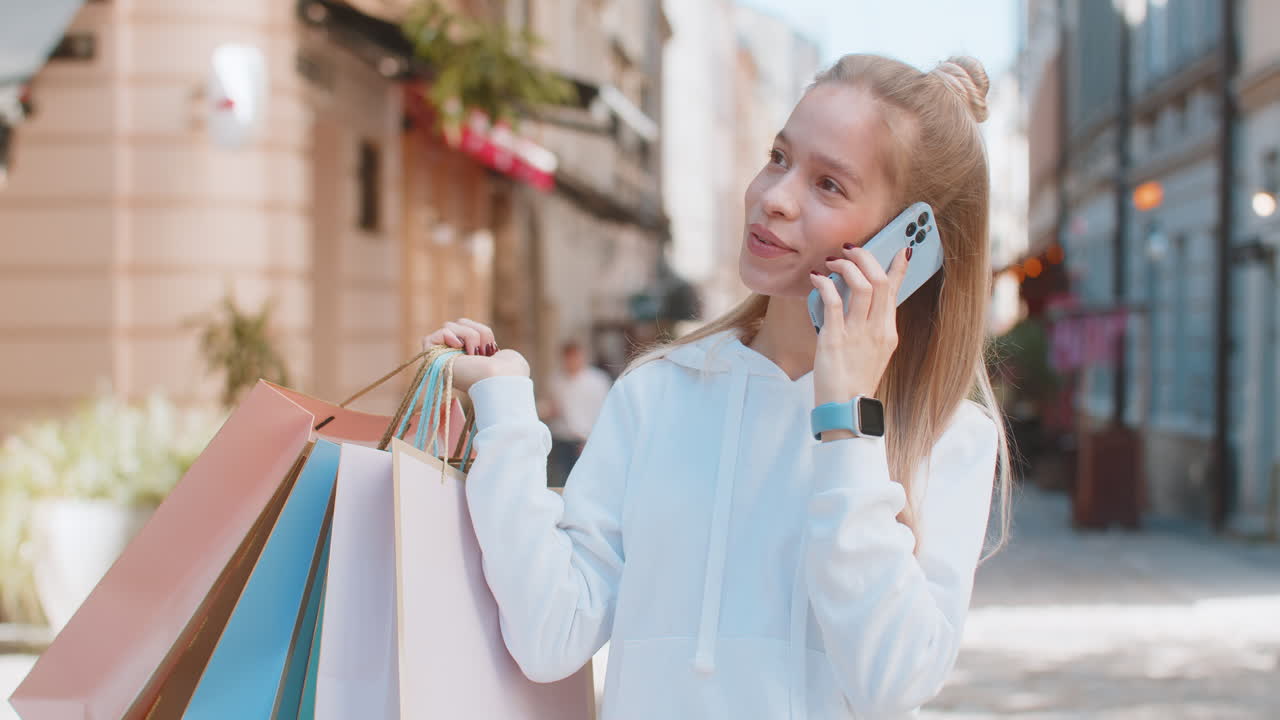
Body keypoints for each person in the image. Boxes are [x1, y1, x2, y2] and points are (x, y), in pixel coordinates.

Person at [421, 54, 1011, 719]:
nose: (775, 197)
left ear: (908, 246)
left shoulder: (948, 438)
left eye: (829, 186)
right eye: (779, 157)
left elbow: (893, 682)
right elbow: (549, 635)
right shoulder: (657, 394)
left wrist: (848, 421)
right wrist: (505, 407)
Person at [541, 340, 613, 487]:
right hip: (562, 438)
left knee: (585, 482)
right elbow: (553, 407)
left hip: (586, 439)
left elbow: (604, 412)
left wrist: (592, 440)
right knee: (561, 481)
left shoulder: (597, 381)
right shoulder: (555, 380)